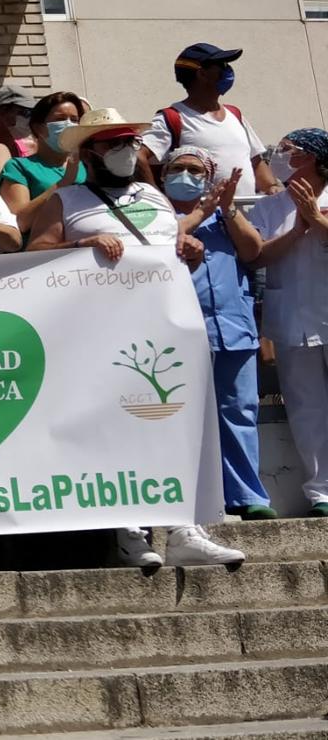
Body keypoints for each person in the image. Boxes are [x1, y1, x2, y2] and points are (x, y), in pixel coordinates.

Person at [25, 108, 246, 567]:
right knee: (112, 424)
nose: (125, 150)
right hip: (96, 331)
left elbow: (170, 250)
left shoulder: (155, 194)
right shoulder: (65, 200)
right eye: (113, 143)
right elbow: (34, 254)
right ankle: (129, 530)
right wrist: (79, 247)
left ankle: (185, 527)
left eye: (129, 141)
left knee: (175, 421)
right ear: (90, 152)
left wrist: (192, 249)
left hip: (165, 327)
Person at [164, 146, 273, 519]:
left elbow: (254, 250)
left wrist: (225, 210)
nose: (185, 175)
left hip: (232, 327)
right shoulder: (156, 214)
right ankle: (192, 500)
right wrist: (200, 213)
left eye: (195, 170)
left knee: (239, 410)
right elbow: (158, 242)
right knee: (183, 416)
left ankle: (247, 496)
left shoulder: (224, 215)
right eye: (177, 168)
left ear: (209, 178)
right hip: (176, 333)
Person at [249, 128, 328, 518]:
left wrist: (316, 218)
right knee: (306, 406)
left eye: (288, 150)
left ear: (312, 157)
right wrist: (298, 229)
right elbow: (257, 256)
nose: (278, 156)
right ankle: (321, 493)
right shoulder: (268, 207)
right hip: (293, 316)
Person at [141, 43, 278, 198]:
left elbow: (256, 161)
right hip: (203, 219)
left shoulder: (235, 114)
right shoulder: (173, 118)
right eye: (222, 65)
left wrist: (272, 188)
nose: (227, 70)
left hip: (246, 216)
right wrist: (157, 199)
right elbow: (139, 157)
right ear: (202, 74)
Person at [0, 91, 91, 230]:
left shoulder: (88, 165)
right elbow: (20, 223)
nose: (69, 124)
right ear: (39, 128)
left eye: (74, 119)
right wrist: (64, 182)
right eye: (60, 119)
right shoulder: (18, 167)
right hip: (46, 249)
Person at [0, 84, 39, 157]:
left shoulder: (33, 148)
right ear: (2, 112)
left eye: (33, 112)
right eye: (26, 112)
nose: (31, 118)